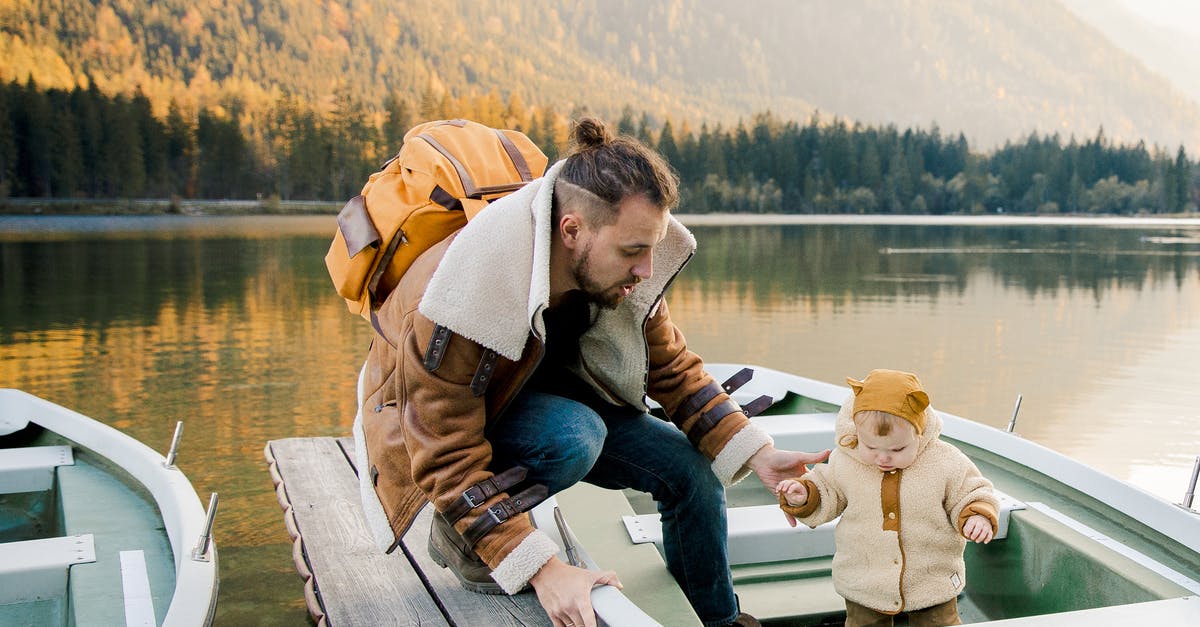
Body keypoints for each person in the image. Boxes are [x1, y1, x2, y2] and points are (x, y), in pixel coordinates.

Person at [354, 116, 829, 627]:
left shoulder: (624, 270)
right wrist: (543, 568)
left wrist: (758, 453)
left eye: (651, 247)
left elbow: (672, 368)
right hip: (440, 427)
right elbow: (442, 451)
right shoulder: (458, 292)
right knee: (575, 435)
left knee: (693, 471)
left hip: (548, 395)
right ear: (572, 230)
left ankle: (717, 620)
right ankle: (462, 541)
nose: (647, 269)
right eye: (633, 252)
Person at [776, 368, 998, 627]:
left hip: (931, 576)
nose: (883, 458)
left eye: (897, 449)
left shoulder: (945, 461)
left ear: (920, 432)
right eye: (870, 447)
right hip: (865, 575)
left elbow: (971, 491)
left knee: (938, 622)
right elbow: (827, 490)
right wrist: (803, 495)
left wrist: (977, 515)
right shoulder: (847, 459)